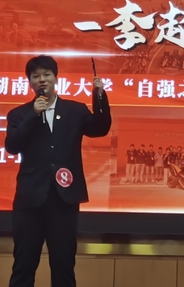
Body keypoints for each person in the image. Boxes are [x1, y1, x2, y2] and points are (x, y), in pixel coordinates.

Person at [6, 55, 111, 287]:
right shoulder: (19, 114)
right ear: (30, 82)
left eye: (47, 74)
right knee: (23, 265)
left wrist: (99, 96)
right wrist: (33, 115)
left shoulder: (75, 111)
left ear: (56, 78)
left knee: (64, 266)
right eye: (36, 76)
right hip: (30, 200)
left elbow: (100, 128)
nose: (42, 79)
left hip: (64, 199)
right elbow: (12, 146)